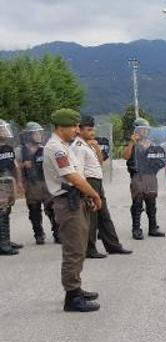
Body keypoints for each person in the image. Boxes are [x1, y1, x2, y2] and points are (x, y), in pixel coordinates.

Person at [43, 109, 103, 312]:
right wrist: (94, 195)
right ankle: (72, 296)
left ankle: (76, 288)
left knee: (79, 246)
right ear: (62, 127)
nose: (77, 130)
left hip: (76, 200)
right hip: (67, 203)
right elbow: (73, 178)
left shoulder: (64, 147)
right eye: (74, 126)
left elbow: (79, 175)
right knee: (74, 249)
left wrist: (87, 196)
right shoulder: (56, 149)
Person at [72, 115, 131, 258]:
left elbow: (100, 163)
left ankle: (113, 245)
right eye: (88, 130)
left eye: (93, 130)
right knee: (92, 217)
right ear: (79, 130)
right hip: (89, 182)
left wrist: (97, 148)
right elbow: (78, 171)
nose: (92, 133)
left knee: (104, 215)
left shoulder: (89, 144)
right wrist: (86, 191)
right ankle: (89, 249)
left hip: (97, 181)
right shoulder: (78, 147)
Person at [125, 118, 166, 239]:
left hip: (150, 175)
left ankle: (153, 227)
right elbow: (126, 156)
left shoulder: (151, 143)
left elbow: (158, 157)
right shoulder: (132, 143)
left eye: (146, 130)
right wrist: (131, 143)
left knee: (151, 202)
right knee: (137, 202)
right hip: (138, 175)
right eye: (142, 129)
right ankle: (136, 229)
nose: (145, 132)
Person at [18, 122, 58, 244]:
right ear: (29, 135)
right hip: (32, 184)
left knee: (52, 209)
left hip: (46, 182)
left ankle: (57, 233)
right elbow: (15, 166)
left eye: (40, 133)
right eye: (36, 133)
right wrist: (22, 168)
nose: (39, 135)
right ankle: (39, 234)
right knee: (34, 211)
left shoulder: (45, 149)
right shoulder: (21, 151)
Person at [0, 119, 23, 255]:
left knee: (6, 212)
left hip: (7, 182)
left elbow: (14, 165)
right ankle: (3, 245)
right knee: (1, 213)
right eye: (1, 129)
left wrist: (19, 182)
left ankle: (5, 240)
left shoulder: (7, 148)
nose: (4, 131)